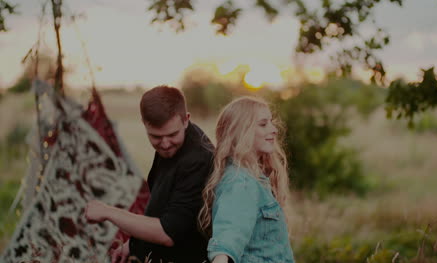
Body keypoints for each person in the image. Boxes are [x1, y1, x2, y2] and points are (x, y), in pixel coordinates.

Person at [85, 85, 214, 263]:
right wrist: (134, 244)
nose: (166, 144)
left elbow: (168, 233)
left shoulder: (197, 160)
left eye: (172, 134)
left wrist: (108, 212)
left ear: (186, 120)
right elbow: (162, 205)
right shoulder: (173, 146)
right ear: (144, 124)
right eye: (156, 137)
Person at [198, 96, 295, 263]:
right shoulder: (240, 182)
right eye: (263, 124)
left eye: (271, 122)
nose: (274, 130)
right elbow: (227, 240)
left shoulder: (253, 179)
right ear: (241, 131)